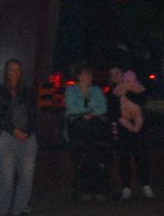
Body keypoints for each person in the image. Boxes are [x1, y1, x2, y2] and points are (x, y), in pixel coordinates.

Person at [0, 58, 39, 216]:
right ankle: (0, 207)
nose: (15, 73)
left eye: (18, 69)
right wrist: (13, 130)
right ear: (6, 72)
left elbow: (34, 114)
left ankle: (21, 207)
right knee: (6, 174)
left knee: (26, 174)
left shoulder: (28, 91)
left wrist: (29, 131)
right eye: (12, 69)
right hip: (8, 136)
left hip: (28, 137)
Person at [63, 65, 109, 201]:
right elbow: (72, 108)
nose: (88, 77)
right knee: (86, 147)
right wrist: (88, 111)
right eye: (85, 75)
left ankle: (95, 186)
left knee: (92, 149)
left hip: (94, 127)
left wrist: (87, 112)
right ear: (78, 76)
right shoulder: (71, 91)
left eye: (89, 75)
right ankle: (86, 187)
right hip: (77, 127)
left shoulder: (97, 90)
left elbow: (103, 107)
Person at [108, 68, 151, 200]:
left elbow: (143, 101)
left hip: (138, 127)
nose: (116, 76)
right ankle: (126, 187)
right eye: (112, 74)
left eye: (118, 73)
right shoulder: (111, 94)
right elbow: (113, 113)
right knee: (124, 156)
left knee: (141, 155)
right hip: (122, 128)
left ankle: (145, 185)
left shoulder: (135, 88)